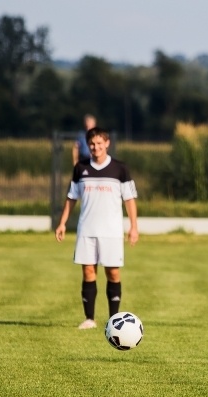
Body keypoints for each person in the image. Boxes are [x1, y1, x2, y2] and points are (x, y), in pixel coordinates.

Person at [56, 126, 139, 329]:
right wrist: (62, 223)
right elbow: (71, 197)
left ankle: (114, 320)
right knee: (88, 272)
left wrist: (134, 227)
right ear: (88, 145)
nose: (96, 147)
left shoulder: (120, 169)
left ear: (107, 144)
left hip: (111, 231)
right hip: (87, 229)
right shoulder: (80, 168)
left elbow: (129, 199)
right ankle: (90, 319)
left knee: (113, 273)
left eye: (99, 143)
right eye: (92, 144)